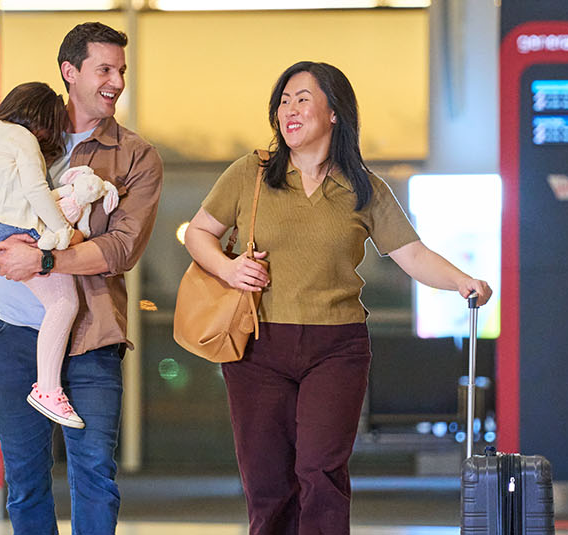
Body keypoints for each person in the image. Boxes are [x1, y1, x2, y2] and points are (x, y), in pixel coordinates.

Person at [182, 61, 493, 535]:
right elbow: (200, 233)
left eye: (302, 99)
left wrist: (462, 280)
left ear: (334, 113)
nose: (289, 109)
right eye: (283, 101)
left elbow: (411, 253)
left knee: (320, 473)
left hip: (337, 348)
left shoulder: (363, 187)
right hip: (258, 345)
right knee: (267, 481)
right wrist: (228, 268)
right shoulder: (251, 173)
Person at [0, 21, 162, 535]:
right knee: (24, 479)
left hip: (91, 336)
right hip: (9, 331)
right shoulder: (23, 132)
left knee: (94, 474)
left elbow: (123, 247)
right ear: (71, 72)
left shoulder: (135, 155)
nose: (117, 81)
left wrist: (42, 262)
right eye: (105, 69)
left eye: (121, 71)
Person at [0, 81, 90, 428]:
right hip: (13, 228)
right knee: (63, 302)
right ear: (40, 121)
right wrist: (60, 232)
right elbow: (36, 191)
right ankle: (48, 390)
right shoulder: (22, 139)